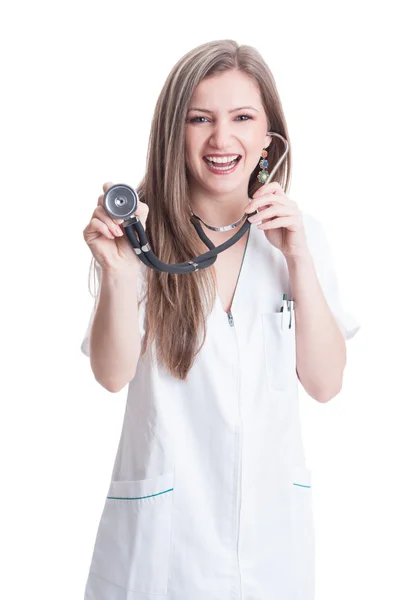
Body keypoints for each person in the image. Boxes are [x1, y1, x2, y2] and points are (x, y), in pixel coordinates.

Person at [81, 39, 360, 600]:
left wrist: (297, 258)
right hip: (161, 549)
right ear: (173, 133)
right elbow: (112, 375)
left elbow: (326, 384)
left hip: (270, 549)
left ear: (267, 139)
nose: (221, 138)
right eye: (200, 118)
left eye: (241, 118)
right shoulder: (139, 240)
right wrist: (117, 273)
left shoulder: (304, 239)